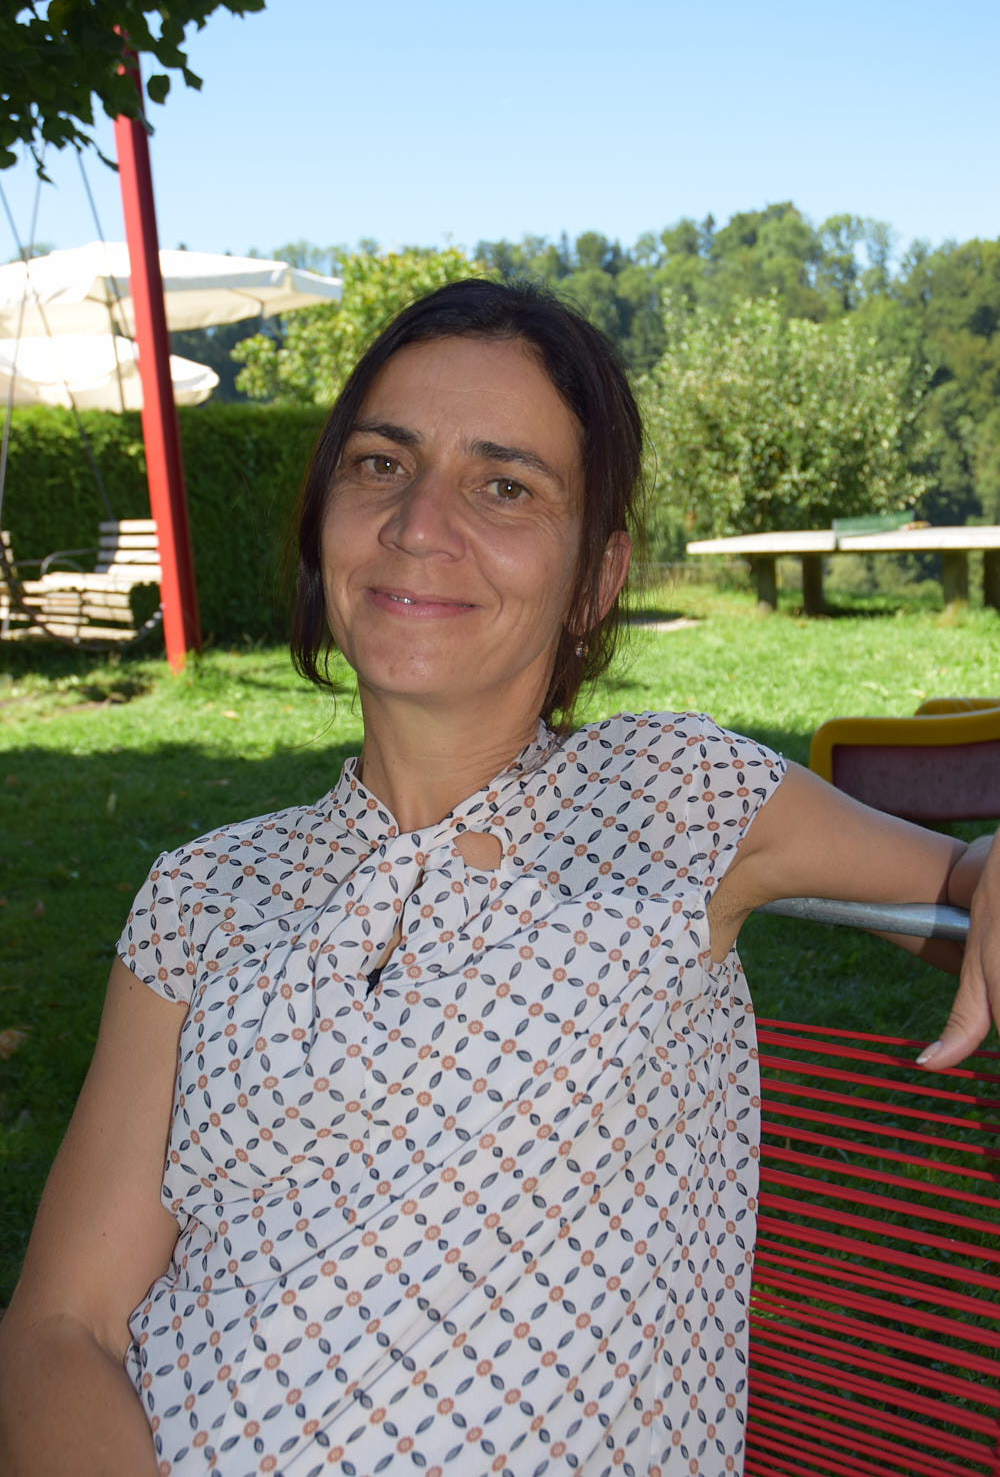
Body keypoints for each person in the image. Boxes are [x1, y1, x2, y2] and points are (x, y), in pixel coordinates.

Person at [0, 279, 996, 1477]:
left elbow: (963, 873)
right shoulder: (204, 892)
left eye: (506, 485)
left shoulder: (672, 793)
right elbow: (63, 1325)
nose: (419, 524)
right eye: (381, 465)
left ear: (595, 579)